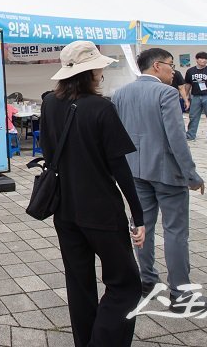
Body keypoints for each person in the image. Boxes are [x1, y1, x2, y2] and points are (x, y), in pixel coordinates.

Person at [39, 41, 145, 346]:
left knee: (79, 283)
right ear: (90, 71)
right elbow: (119, 168)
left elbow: (48, 151)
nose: (101, 70)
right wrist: (138, 215)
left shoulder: (49, 104)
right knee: (125, 284)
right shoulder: (101, 107)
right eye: (98, 66)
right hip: (101, 209)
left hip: (65, 209)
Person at [112, 47, 207, 313]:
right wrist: (191, 174)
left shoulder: (120, 93)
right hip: (168, 173)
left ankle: (146, 280)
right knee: (176, 232)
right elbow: (177, 139)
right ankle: (180, 292)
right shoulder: (166, 93)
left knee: (142, 226)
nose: (173, 70)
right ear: (157, 66)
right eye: (170, 65)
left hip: (135, 171)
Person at [183, 52, 207, 144]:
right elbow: (188, 84)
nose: (203, 60)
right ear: (196, 59)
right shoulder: (190, 71)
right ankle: (190, 135)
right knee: (193, 116)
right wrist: (185, 98)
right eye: (201, 58)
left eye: (206, 59)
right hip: (195, 96)